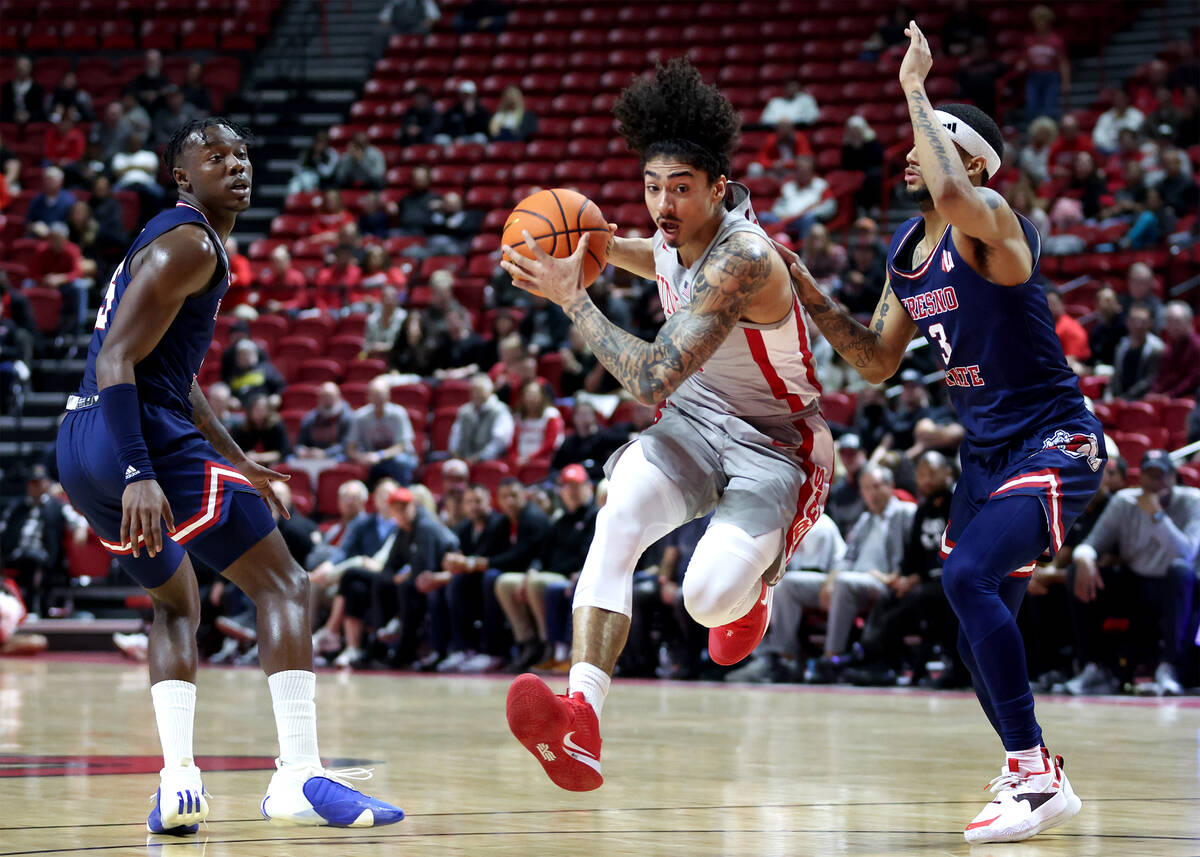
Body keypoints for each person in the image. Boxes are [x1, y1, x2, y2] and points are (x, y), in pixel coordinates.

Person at [776, 25, 1103, 843]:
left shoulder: (994, 221)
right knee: (972, 627)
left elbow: (958, 195)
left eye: (932, 143)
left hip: (1053, 438)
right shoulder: (906, 253)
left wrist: (917, 87)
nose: (912, 154)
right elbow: (877, 360)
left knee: (965, 583)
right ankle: (1037, 774)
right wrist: (807, 290)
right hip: (986, 454)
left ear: (973, 161)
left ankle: (1029, 770)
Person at [53, 118, 403, 834]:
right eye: (215, 157)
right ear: (183, 176)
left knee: (178, 604)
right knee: (284, 582)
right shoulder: (189, 241)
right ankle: (298, 777)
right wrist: (138, 471)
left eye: (242, 153)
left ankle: (178, 783)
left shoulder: (177, 238)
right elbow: (122, 361)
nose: (236, 165)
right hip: (131, 436)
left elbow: (170, 373)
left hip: (82, 440)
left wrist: (235, 455)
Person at [500, 58, 832, 791]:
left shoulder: (743, 256)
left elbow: (650, 375)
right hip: (694, 422)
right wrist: (576, 244)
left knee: (706, 597)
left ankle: (757, 587)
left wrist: (572, 298)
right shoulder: (672, 235)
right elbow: (638, 249)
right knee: (616, 516)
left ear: (719, 187)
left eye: (679, 188)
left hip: (777, 444)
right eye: (652, 187)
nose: (662, 204)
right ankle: (580, 715)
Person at [1068, 450, 1200, 697]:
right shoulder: (1124, 501)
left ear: (1173, 477)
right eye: (1149, 475)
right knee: (1078, 571)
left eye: (1161, 475)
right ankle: (1094, 667)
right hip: (1135, 583)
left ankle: (1170, 669)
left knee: (1180, 572)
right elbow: (1092, 543)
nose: (1155, 482)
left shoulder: (1193, 500)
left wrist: (1156, 515)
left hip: (1175, 587)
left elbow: (1186, 553)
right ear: (1140, 479)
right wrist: (1084, 559)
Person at [346, 377, 418, 487]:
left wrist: (380, 455)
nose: (378, 399)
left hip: (397, 457)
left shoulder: (398, 414)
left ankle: (402, 496)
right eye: (374, 395)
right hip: (371, 459)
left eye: (380, 395)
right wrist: (361, 457)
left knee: (401, 462)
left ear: (388, 396)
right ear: (368, 396)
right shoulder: (360, 416)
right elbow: (351, 448)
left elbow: (402, 446)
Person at [1108, 303, 1163, 400]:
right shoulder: (1122, 345)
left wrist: (1126, 397)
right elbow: (1116, 374)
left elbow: (1150, 379)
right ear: (1127, 322)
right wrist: (1116, 396)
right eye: (1134, 321)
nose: (1138, 325)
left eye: (1143, 321)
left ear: (1150, 323)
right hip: (1120, 399)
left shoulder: (1156, 348)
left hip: (1142, 399)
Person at [1151, 302, 1200, 398]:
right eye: (1169, 321)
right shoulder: (1169, 347)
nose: (1173, 326)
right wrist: (1155, 392)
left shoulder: (1197, 347)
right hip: (1167, 398)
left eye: (1177, 322)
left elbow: (1193, 380)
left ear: (1189, 322)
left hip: (1188, 399)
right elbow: (1161, 376)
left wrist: (1169, 395)